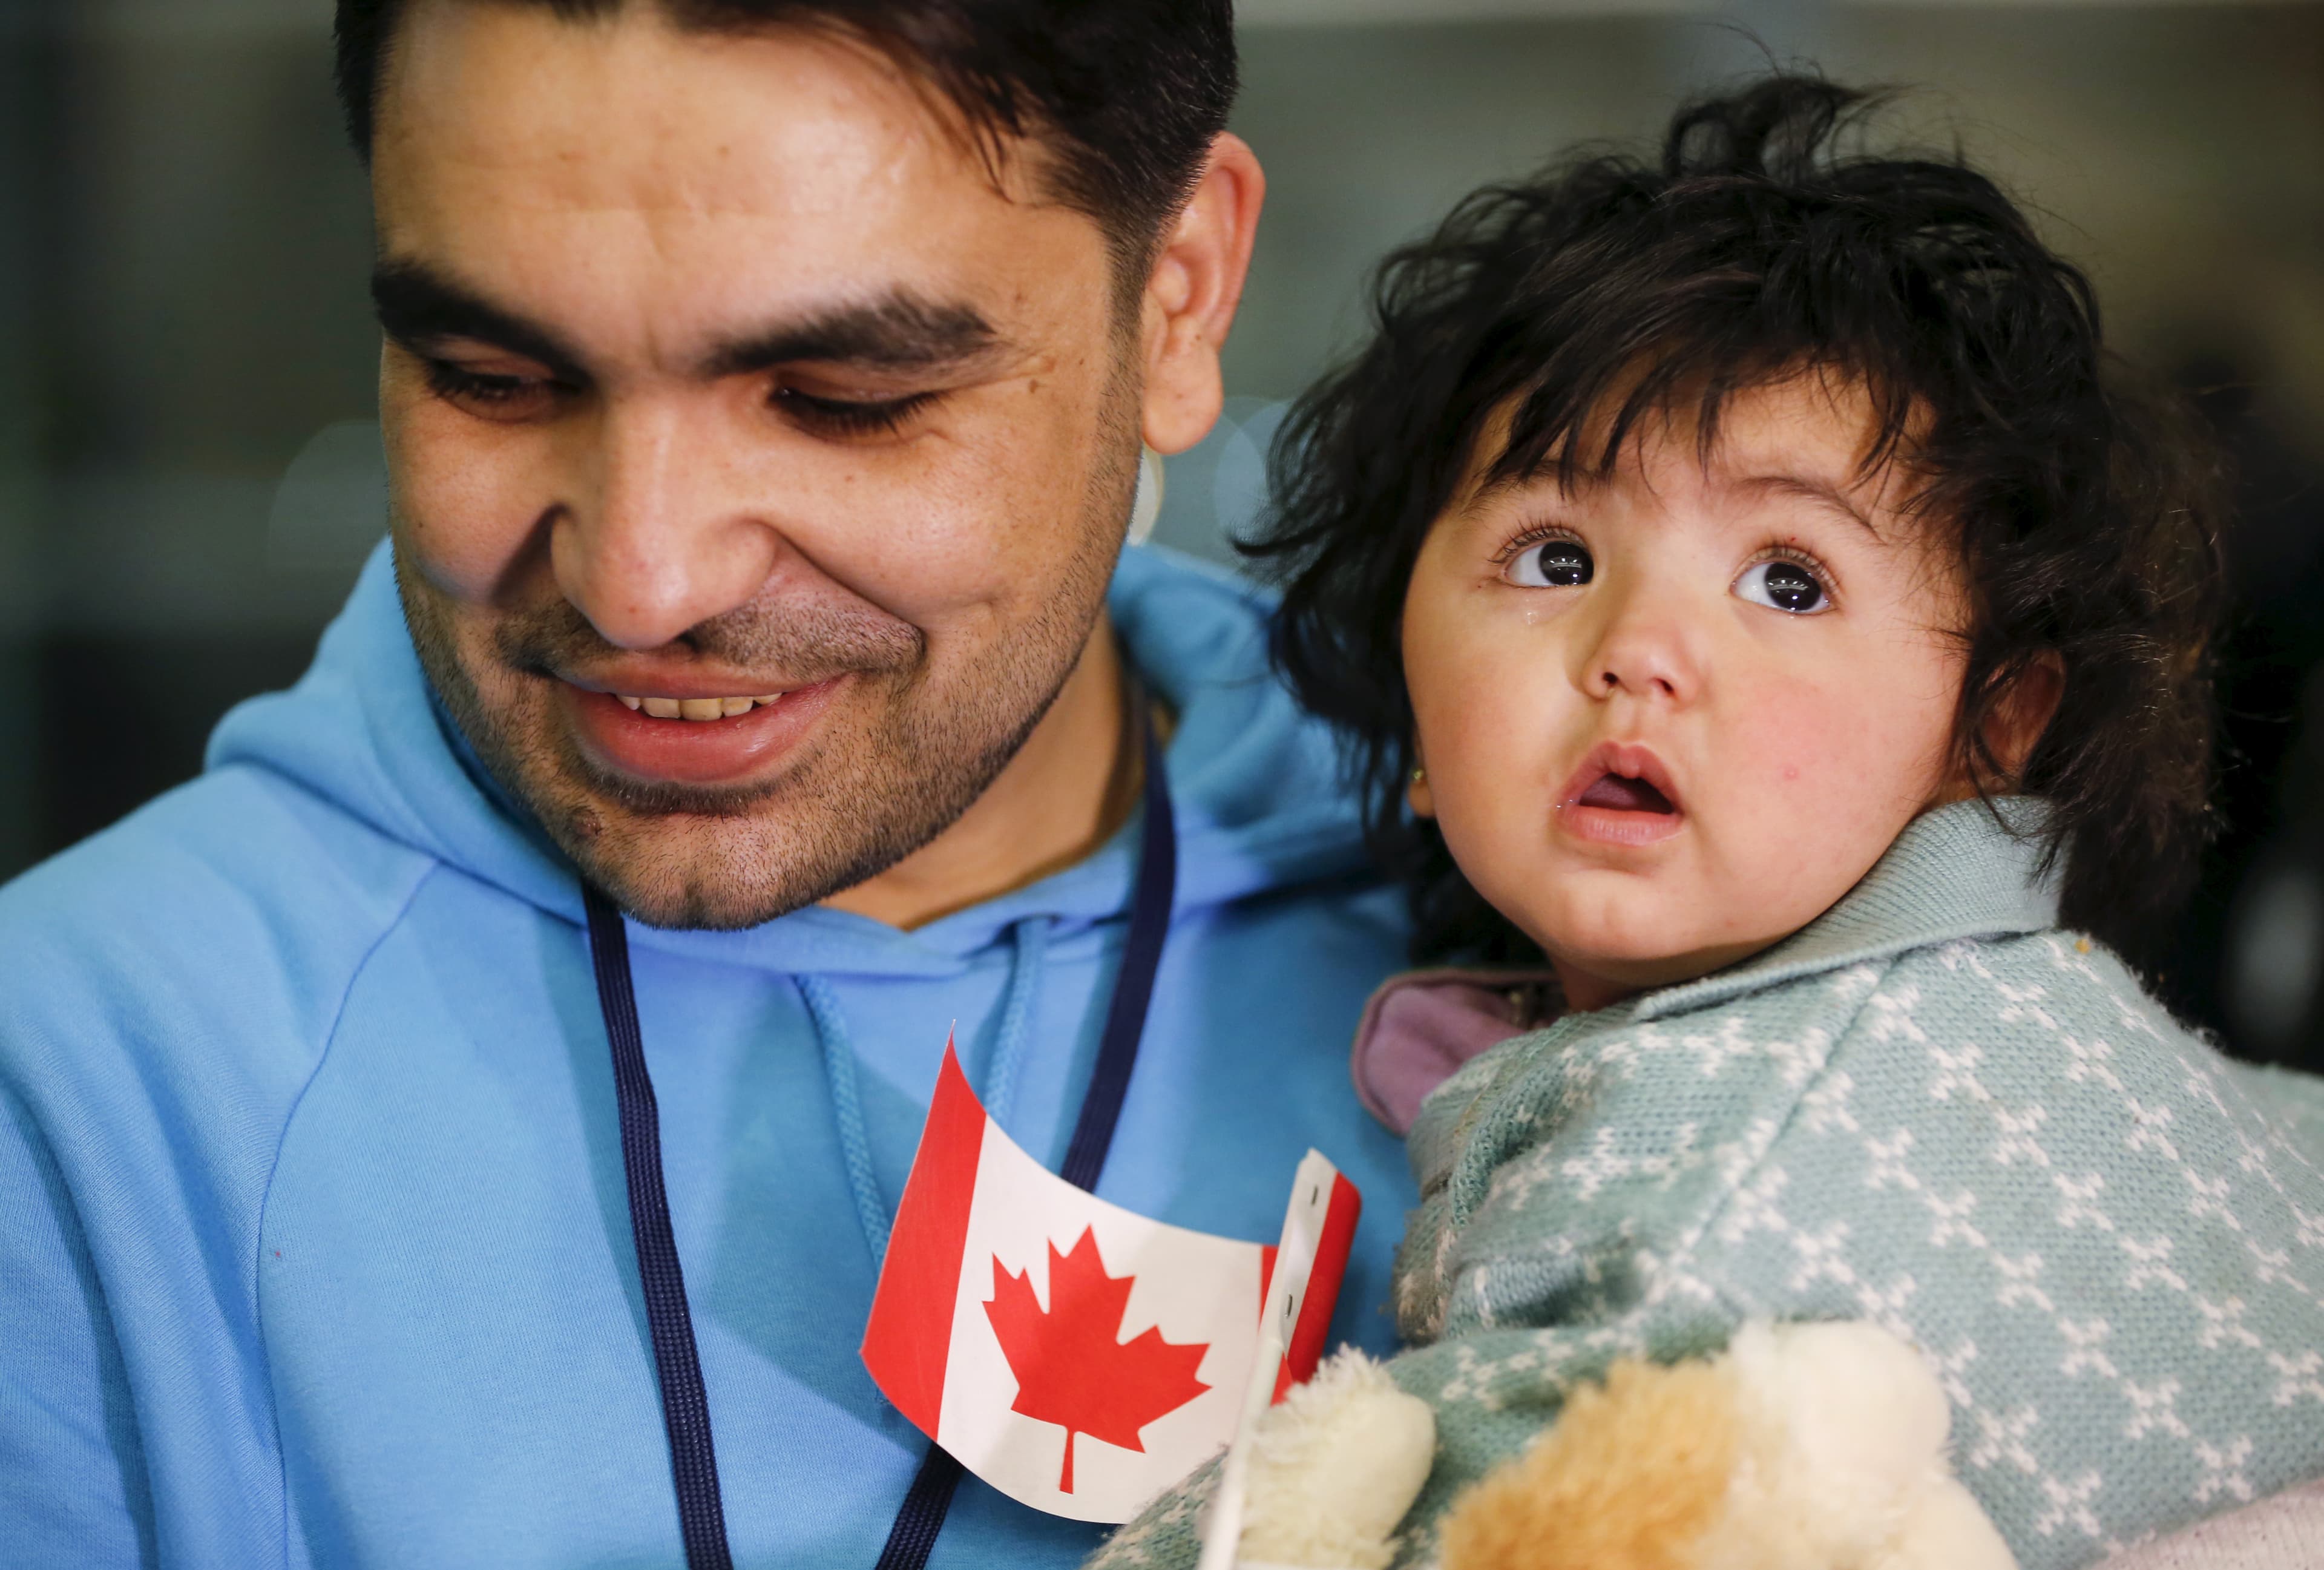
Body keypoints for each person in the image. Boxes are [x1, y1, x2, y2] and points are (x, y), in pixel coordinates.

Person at [0, 3, 1418, 1566]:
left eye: (842, 399)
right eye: (491, 376)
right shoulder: (71, 1076)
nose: (640, 583)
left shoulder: (1575, 940)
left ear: (1179, 301)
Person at [1092, 77, 2324, 1570]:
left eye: (1787, 582)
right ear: (1408, 708)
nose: (1639, 648)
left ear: (1993, 728)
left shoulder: (1732, 1153)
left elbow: (1502, 1516)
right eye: (1554, 553)